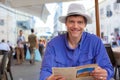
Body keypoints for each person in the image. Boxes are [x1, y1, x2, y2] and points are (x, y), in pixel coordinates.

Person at [40, 3, 114, 80]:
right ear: (66, 23)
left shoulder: (95, 42)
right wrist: (48, 78)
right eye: (71, 21)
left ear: (85, 24)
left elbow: (108, 68)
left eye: (80, 22)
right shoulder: (53, 44)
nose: (75, 26)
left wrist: (104, 72)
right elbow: (45, 71)